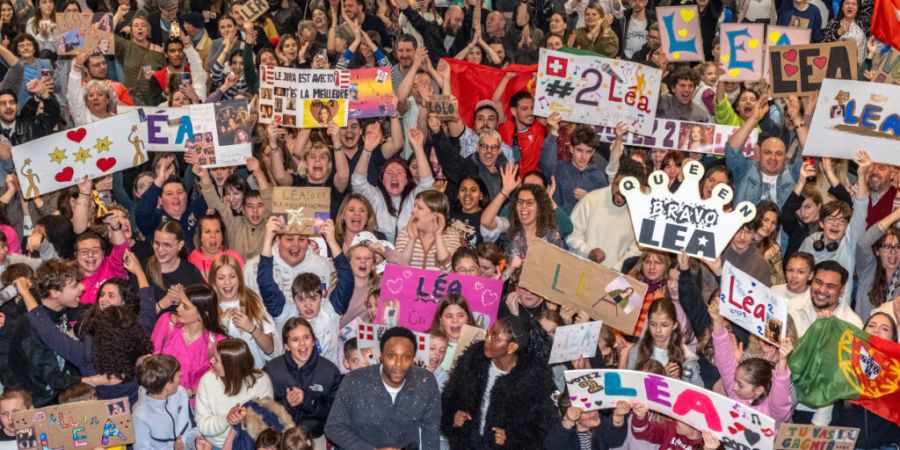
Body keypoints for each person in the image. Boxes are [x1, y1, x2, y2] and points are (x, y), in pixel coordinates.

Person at [442, 315, 557, 449]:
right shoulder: (473, 360)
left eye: (494, 337)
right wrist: (453, 417)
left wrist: (510, 440)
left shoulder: (534, 380)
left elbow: (540, 430)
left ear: (512, 347)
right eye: (489, 333)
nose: (487, 340)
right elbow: (449, 398)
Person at [325, 327, 441, 449]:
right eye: (391, 356)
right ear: (381, 355)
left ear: (413, 359)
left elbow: (431, 431)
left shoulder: (425, 382)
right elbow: (334, 427)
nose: (398, 364)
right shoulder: (354, 381)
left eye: (406, 357)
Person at [788, 260, 862, 425]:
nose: (821, 290)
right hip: (783, 403)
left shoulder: (852, 324)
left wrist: (819, 422)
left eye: (830, 286)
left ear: (841, 291)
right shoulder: (791, 308)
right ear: (811, 280)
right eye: (818, 282)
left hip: (823, 412)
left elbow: (837, 378)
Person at [709, 300, 794, 424]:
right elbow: (725, 363)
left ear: (759, 390)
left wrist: (782, 360)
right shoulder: (736, 391)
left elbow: (779, 403)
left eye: (740, 385)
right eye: (763, 334)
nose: (734, 386)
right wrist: (717, 321)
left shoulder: (772, 414)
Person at [264, 318, 341, 450]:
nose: (302, 344)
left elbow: (337, 412)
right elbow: (262, 410)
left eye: (306, 337)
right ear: (286, 346)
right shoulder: (271, 370)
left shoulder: (329, 371)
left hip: (314, 437)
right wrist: (287, 403)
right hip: (279, 437)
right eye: (295, 340)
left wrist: (308, 400)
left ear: (313, 341)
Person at [195, 339, 275, 449]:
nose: (211, 361)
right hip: (216, 445)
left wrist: (245, 420)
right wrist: (227, 419)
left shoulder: (261, 380)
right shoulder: (207, 381)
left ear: (230, 366)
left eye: (216, 360)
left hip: (250, 445)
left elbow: (267, 424)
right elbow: (202, 425)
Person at [151, 284, 227, 398]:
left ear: (203, 314)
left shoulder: (218, 342)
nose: (178, 308)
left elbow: (218, 378)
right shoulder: (167, 322)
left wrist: (191, 392)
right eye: (180, 303)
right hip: (160, 397)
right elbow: (151, 359)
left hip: (196, 402)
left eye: (185, 307)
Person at [567, 159, 645, 269]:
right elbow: (572, 234)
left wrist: (617, 269)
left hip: (614, 276)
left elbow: (636, 250)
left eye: (627, 189)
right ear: (615, 178)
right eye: (618, 184)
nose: (621, 192)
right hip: (580, 268)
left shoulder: (639, 213)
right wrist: (588, 252)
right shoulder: (591, 200)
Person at [133, 354, 211, 450]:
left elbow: (192, 428)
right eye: (177, 375)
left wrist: (196, 442)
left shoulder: (181, 393)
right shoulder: (140, 415)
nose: (180, 376)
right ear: (167, 386)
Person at [210, 255, 275, 368]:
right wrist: (220, 329)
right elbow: (208, 357)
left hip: (256, 371)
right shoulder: (209, 307)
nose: (227, 282)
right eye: (221, 278)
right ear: (214, 281)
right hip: (226, 374)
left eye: (232, 276)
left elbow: (269, 349)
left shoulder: (254, 300)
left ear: (239, 278)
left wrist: (252, 328)